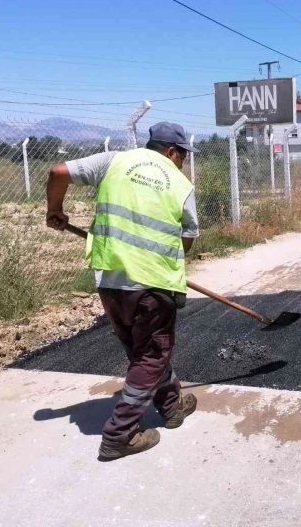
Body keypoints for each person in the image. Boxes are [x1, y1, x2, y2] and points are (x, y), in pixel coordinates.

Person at [46, 122, 200, 461]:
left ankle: (172, 407)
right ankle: (119, 435)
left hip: (111, 278)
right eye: (183, 156)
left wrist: (54, 211)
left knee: (142, 349)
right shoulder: (180, 183)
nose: (183, 163)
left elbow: (58, 172)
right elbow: (188, 236)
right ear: (171, 152)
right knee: (151, 355)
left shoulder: (113, 161)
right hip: (153, 284)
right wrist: (166, 258)